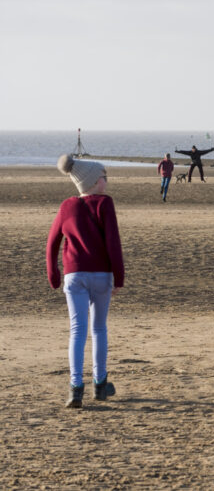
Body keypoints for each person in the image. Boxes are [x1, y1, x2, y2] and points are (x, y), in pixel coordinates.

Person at [47, 154, 124, 408]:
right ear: (92, 182)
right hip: (101, 276)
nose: (106, 180)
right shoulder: (105, 204)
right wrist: (119, 277)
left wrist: (54, 275)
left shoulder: (66, 206)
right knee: (99, 329)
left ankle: (75, 387)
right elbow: (113, 242)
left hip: (74, 276)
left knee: (77, 331)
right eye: (103, 177)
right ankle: (100, 384)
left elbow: (52, 243)